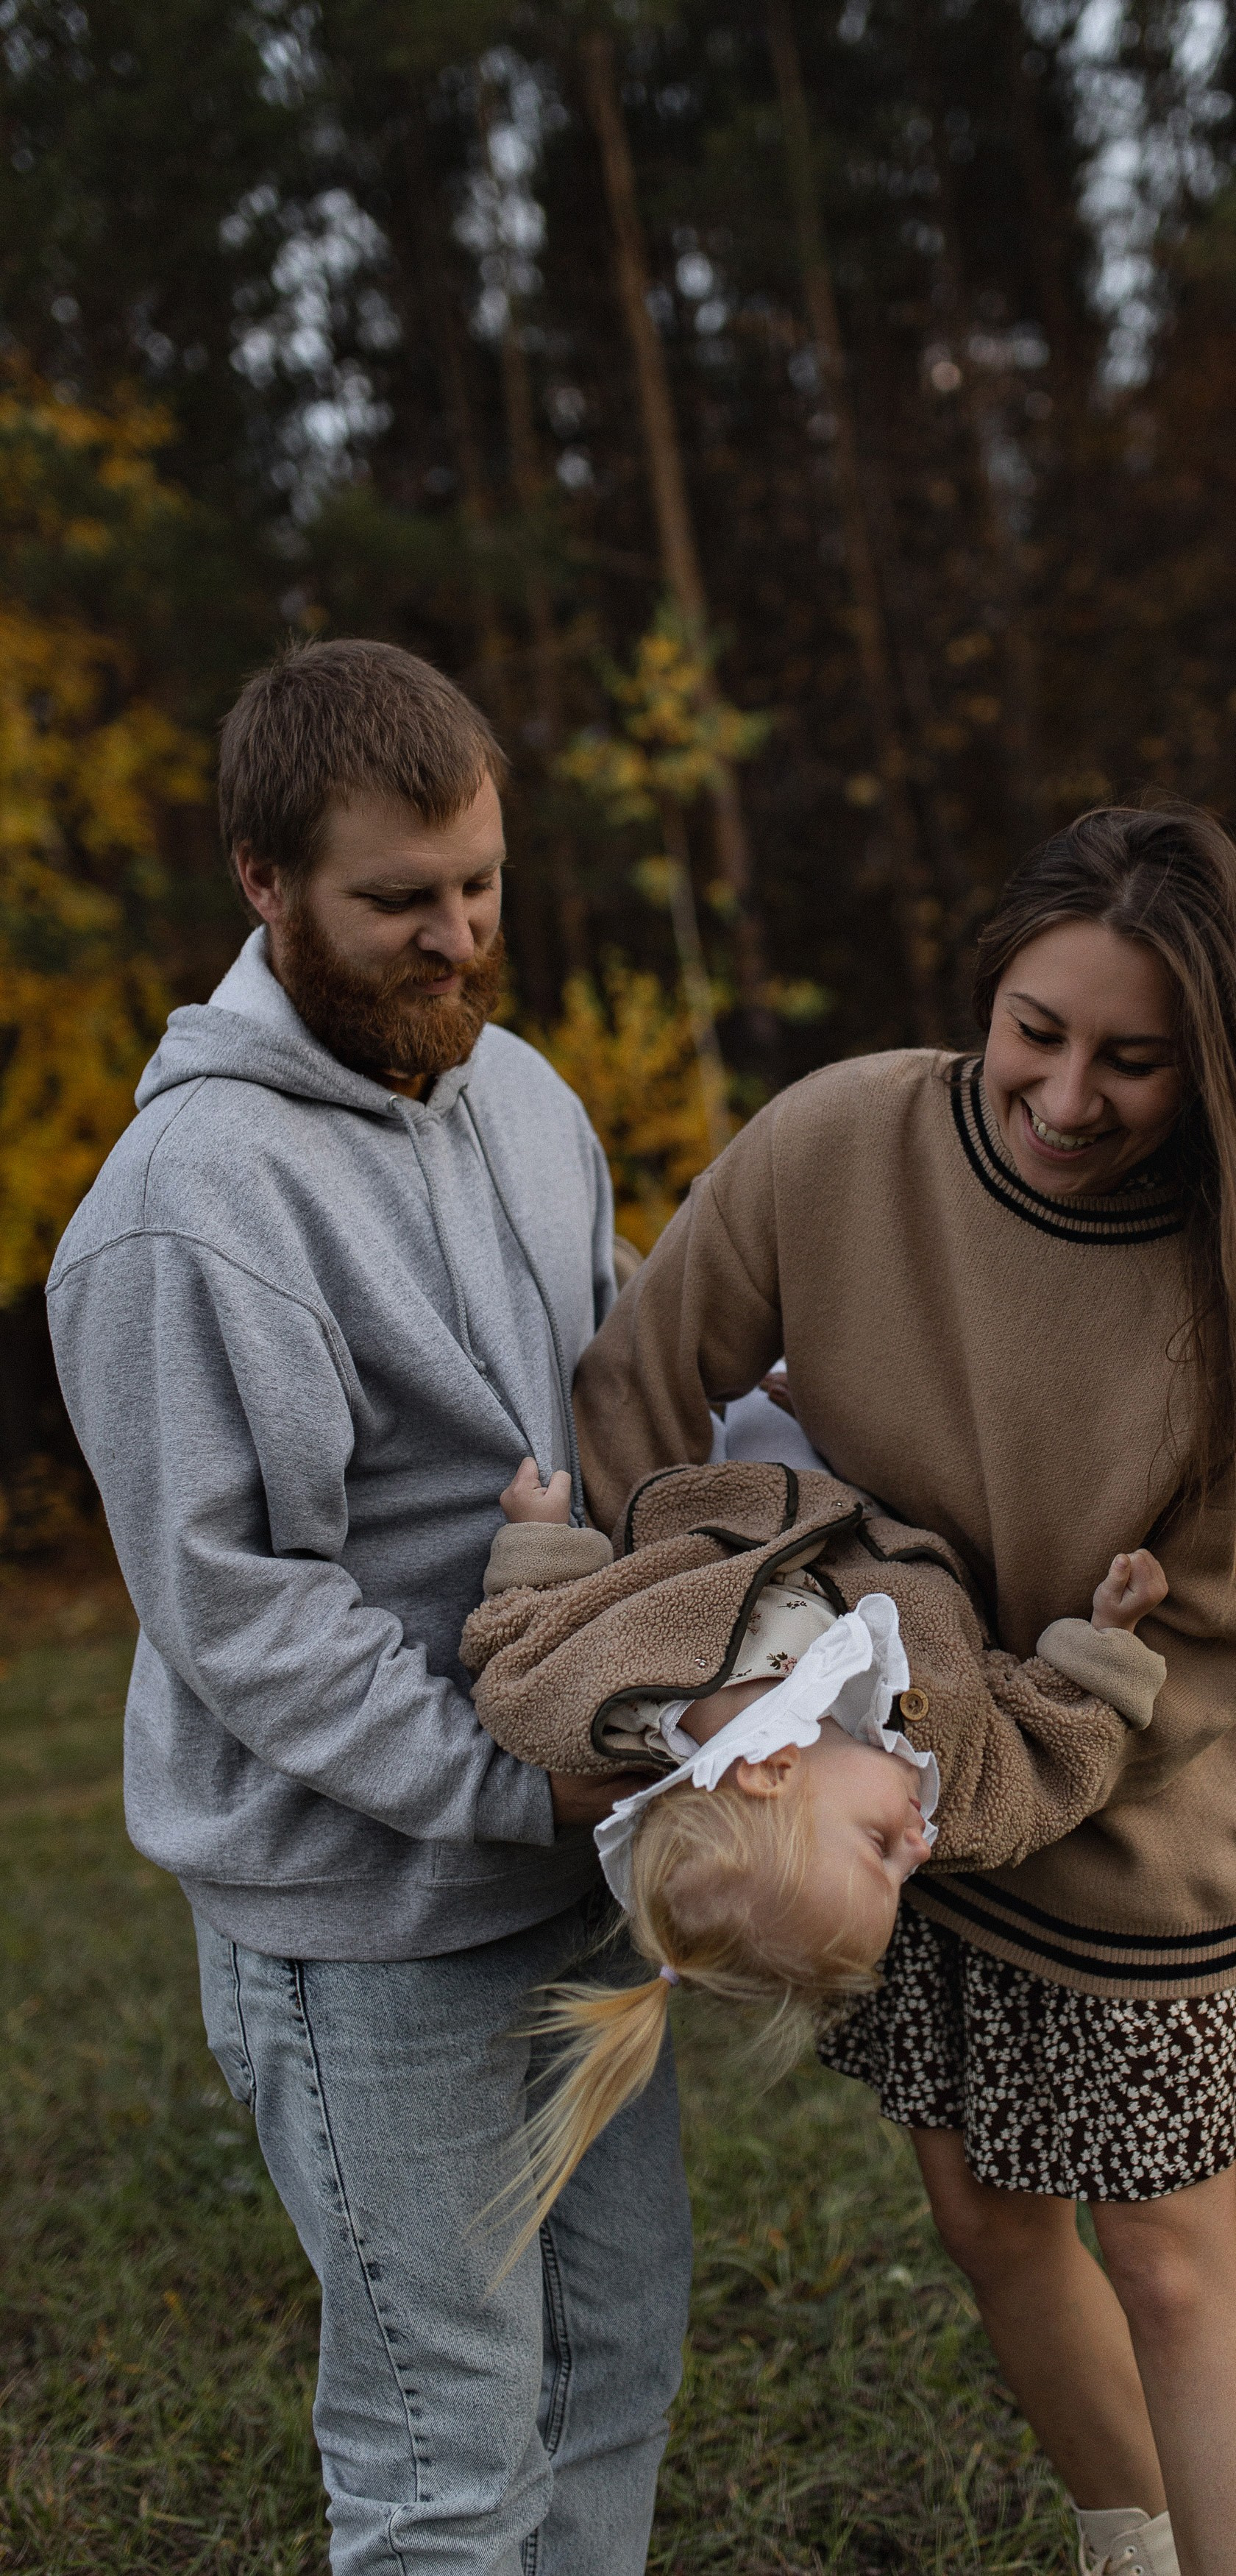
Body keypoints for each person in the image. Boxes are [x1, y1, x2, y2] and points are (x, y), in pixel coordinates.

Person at [572, 803, 1236, 2576]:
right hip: (882, 1781)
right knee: (985, 2212)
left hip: (1128, 1804)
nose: (1071, 1096)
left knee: (1169, 2255)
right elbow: (638, 1392)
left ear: (1213, 1066)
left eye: (1134, 1060)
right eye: (1038, 1032)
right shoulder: (836, 1142)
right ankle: (1133, 2547)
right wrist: (700, 1665)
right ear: (986, 996)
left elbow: (1212, 1642)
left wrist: (963, 1764)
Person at [46, 639, 689, 2576]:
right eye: (397, 900)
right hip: (368, 1928)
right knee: (442, 2460)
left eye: (479, 882)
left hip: (574, 1881)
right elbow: (241, 1614)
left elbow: (628, 1381)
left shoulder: (528, 1100)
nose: (454, 936)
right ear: (263, 879)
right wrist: (519, 1789)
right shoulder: (185, 1207)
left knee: (608, 2371)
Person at [455, 1454, 1168, 2220]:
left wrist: (538, 1537)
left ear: (771, 1771)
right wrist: (1107, 1638)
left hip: (730, 1457)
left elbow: (518, 1654)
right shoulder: (951, 1781)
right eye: (904, 1874)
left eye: (877, 1849)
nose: (920, 1850)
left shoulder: (610, 1701)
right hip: (892, 1469)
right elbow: (1047, 1772)